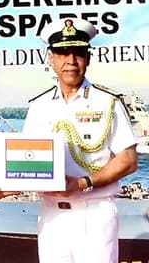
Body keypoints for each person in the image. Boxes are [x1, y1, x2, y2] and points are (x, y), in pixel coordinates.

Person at [21, 19, 138, 263]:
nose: (71, 61)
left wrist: (83, 183)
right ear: (51, 58)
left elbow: (128, 160)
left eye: (78, 53)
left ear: (88, 58)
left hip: (94, 214)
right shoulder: (38, 107)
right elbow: (26, 159)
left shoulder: (108, 103)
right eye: (63, 53)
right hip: (52, 216)